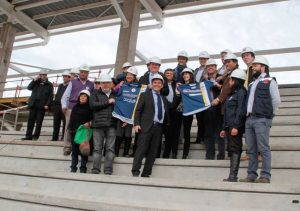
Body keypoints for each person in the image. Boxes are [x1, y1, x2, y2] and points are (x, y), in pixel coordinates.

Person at [240, 56, 281, 183]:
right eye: (252, 66)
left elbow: (276, 100)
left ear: (263, 66)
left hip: (262, 118)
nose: (253, 68)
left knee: (263, 148)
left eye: (255, 65)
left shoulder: (270, 81)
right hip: (250, 119)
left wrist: (270, 115)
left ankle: (265, 175)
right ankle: (251, 175)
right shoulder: (252, 83)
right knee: (251, 149)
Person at [132, 74, 169, 177]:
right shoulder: (145, 95)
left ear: (162, 86)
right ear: (151, 84)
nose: (157, 84)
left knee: (153, 152)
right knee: (141, 150)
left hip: (158, 128)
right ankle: (135, 172)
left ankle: (146, 173)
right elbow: (137, 110)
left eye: (159, 83)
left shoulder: (164, 98)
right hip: (146, 126)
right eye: (155, 82)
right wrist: (136, 124)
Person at [61, 64, 94, 155]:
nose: (83, 74)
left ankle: (81, 146)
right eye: (82, 72)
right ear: (79, 73)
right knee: (69, 127)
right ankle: (67, 147)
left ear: (88, 73)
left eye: (85, 72)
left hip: (85, 110)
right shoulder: (73, 82)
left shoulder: (91, 84)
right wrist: (64, 105)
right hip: (72, 107)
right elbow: (65, 95)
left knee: (83, 128)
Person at [221, 69, 247, 182]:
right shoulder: (231, 94)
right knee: (231, 148)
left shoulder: (241, 92)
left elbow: (241, 110)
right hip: (229, 126)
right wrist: (224, 128)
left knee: (235, 148)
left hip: (235, 126)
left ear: (236, 80)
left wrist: (236, 126)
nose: (229, 82)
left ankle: (233, 176)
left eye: (231, 79)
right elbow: (227, 112)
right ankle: (231, 175)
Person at [90, 74, 116, 175]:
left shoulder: (116, 94)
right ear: (100, 84)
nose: (105, 85)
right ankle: (95, 169)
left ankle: (108, 170)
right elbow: (92, 106)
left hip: (111, 124)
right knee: (97, 149)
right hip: (98, 125)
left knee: (110, 148)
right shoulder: (94, 93)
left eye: (107, 83)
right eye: (103, 83)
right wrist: (108, 102)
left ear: (111, 84)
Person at [114, 66, 139, 157]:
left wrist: (129, 117)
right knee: (119, 133)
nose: (129, 76)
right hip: (120, 113)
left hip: (130, 114)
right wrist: (119, 85)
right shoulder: (122, 84)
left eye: (131, 75)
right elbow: (114, 91)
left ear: (134, 77)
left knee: (128, 134)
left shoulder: (138, 87)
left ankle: (125, 153)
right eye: (128, 74)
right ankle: (116, 153)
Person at [22, 69, 53, 140]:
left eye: (44, 75)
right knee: (30, 121)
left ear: (46, 76)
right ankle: (28, 136)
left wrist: (47, 104)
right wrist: (34, 80)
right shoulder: (35, 82)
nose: (43, 76)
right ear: (39, 75)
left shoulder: (49, 85)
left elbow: (50, 96)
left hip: (42, 106)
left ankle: (35, 136)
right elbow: (29, 88)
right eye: (42, 75)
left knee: (39, 122)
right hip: (33, 104)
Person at [201, 59, 223, 160]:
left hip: (219, 109)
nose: (210, 68)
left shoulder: (221, 78)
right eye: (208, 66)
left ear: (216, 67)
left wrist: (216, 84)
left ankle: (221, 155)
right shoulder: (203, 81)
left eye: (212, 66)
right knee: (208, 134)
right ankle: (209, 156)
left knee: (220, 133)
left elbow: (226, 90)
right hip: (206, 110)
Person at [69, 90, 92, 173]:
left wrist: (89, 123)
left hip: (84, 132)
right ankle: (73, 168)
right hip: (74, 132)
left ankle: (83, 168)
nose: (82, 97)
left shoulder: (90, 107)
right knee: (74, 151)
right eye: (81, 96)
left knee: (84, 151)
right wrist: (70, 129)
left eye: (85, 96)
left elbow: (93, 118)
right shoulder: (75, 107)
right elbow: (71, 119)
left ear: (88, 98)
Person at [175, 68, 195, 159]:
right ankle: (174, 153)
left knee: (187, 133)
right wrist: (178, 91)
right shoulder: (180, 85)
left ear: (191, 75)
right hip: (179, 111)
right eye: (184, 74)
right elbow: (177, 98)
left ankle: (185, 154)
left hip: (188, 112)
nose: (185, 75)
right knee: (177, 132)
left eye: (187, 74)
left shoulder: (194, 85)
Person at [162, 68, 180, 159]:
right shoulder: (161, 84)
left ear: (174, 75)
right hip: (164, 112)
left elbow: (178, 96)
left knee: (175, 134)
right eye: (167, 73)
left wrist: (173, 106)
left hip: (175, 111)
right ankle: (166, 154)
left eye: (171, 73)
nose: (169, 74)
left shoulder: (177, 84)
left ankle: (174, 154)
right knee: (167, 135)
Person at [194, 51, 210, 144]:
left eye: (204, 59)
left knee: (205, 119)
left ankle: (204, 138)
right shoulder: (196, 70)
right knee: (199, 119)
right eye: (201, 59)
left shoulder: (209, 69)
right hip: (197, 96)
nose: (202, 60)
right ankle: (199, 138)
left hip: (205, 96)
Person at [51, 70, 71, 141]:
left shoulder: (70, 86)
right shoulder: (60, 85)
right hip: (57, 106)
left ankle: (63, 137)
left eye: (66, 76)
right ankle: (54, 138)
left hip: (65, 106)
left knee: (65, 123)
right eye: (63, 76)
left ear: (69, 77)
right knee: (56, 122)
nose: (64, 78)